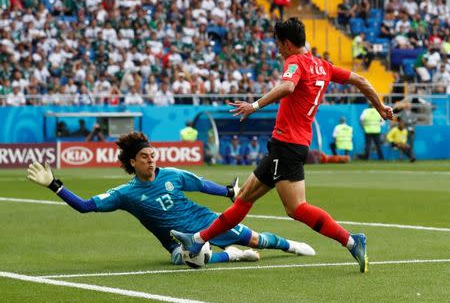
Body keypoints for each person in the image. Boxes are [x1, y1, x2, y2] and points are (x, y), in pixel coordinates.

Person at [172, 17, 394, 273]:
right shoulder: (324, 66)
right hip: (284, 144)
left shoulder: (295, 62)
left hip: (288, 145)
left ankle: (353, 241)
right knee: (243, 198)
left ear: (288, 43)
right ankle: (198, 239)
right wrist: (381, 107)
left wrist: (254, 106)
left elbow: (288, 86)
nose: (277, 49)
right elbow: (362, 81)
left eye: (278, 44)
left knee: (296, 208)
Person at [26, 132, 315, 266]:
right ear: (132, 162)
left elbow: (201, 185)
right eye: (144, 157)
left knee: (255, 239)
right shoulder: (125, 194)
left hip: (205, 221)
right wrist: (54, 184)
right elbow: (85, 206)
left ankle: (290, 245)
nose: (151, 161)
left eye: (153, 155)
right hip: (176, 241)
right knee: (187, 260)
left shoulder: (173, 175)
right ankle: (231, 255)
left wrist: (228, 192)